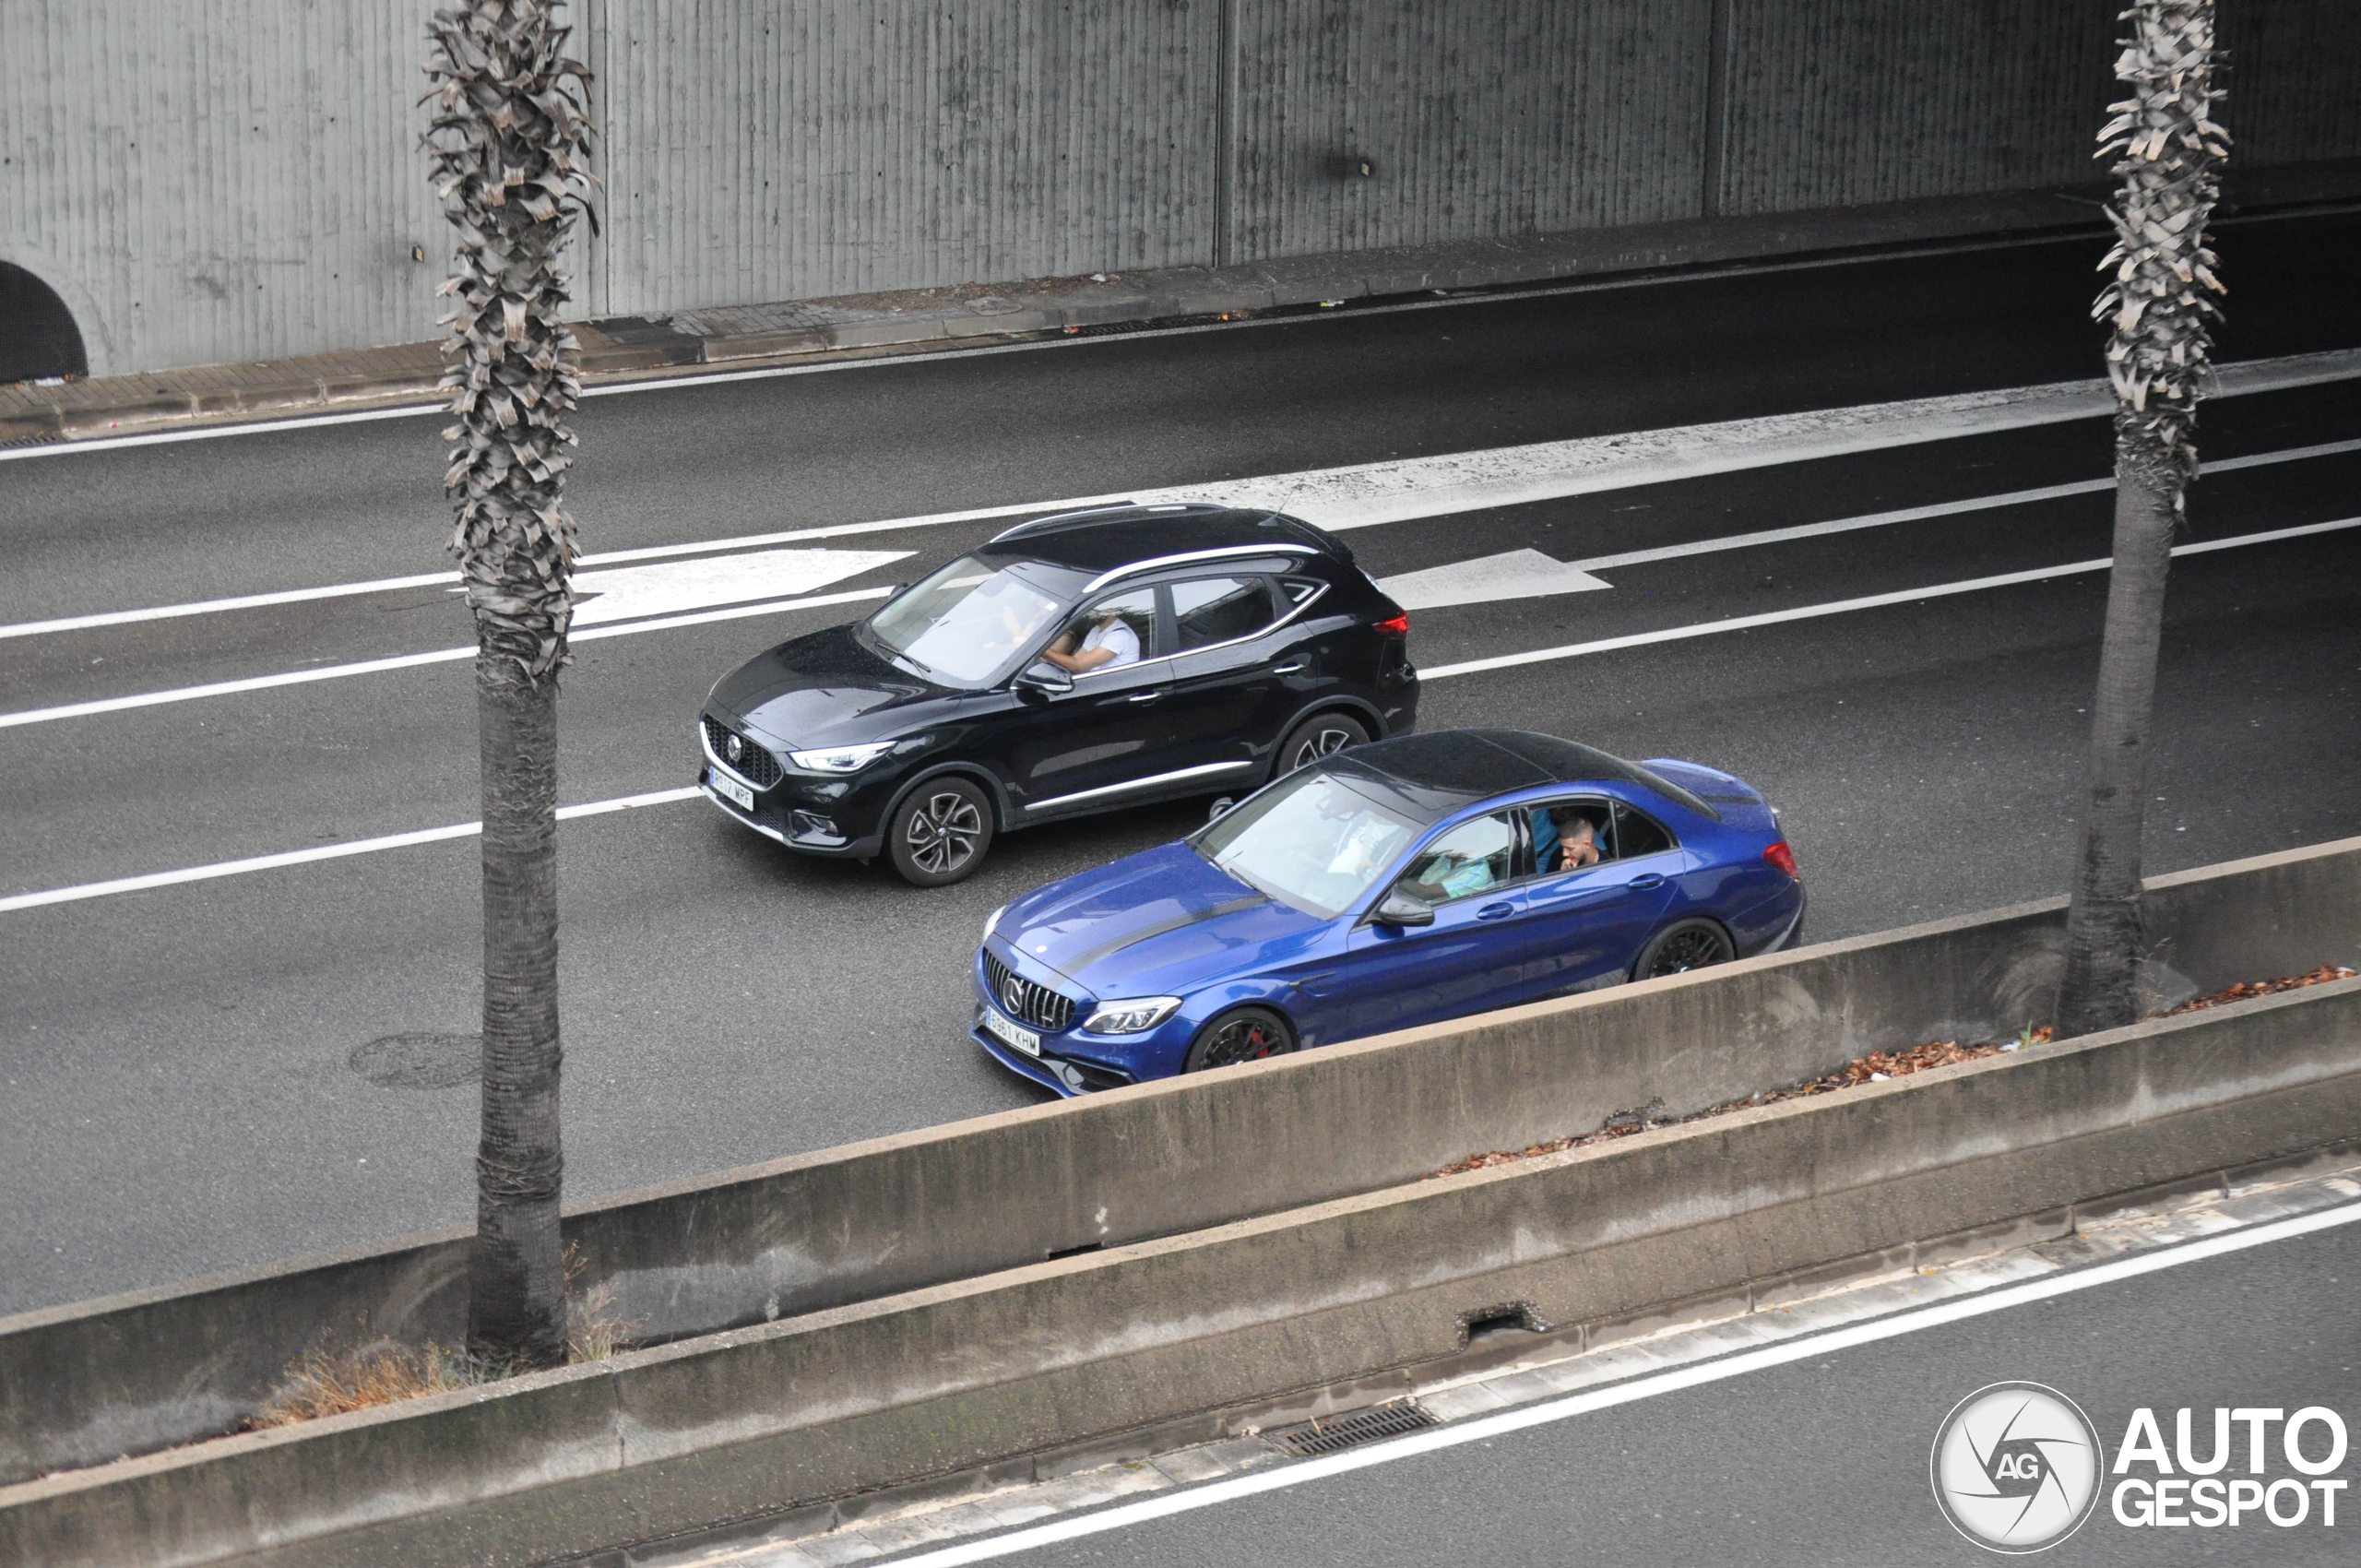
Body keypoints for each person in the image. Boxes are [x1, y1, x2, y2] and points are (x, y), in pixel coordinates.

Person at [1040, 604, 1141, 673]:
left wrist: (1041, 649)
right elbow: (1076, 659)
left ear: (1112, 611)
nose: (1091, 613)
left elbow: (1078, 666)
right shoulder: (1097, 629)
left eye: (1097, 609)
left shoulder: (1119, 636)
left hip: (1114, 690)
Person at [1530, 806, 1602, 873]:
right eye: (1563, 847)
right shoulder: (1558, 855)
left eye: (1570, 849)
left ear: (1587, 844)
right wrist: (1562, 874)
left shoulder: (1606, 869)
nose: (1564, 853)